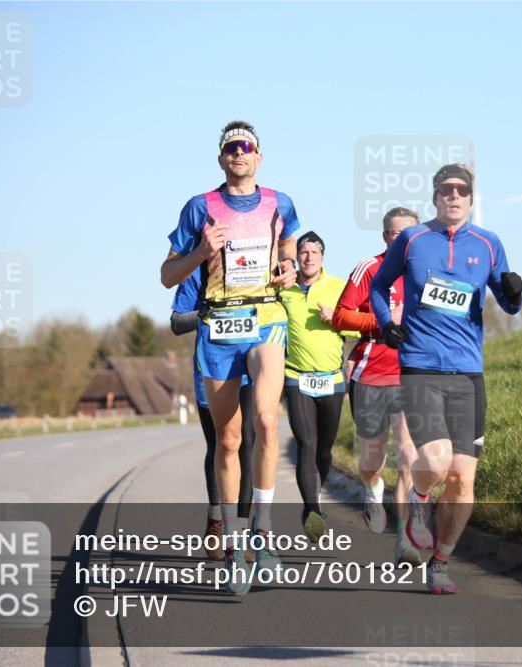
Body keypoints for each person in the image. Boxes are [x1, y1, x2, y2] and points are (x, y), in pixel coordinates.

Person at [368, 164, 522, 594]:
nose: (454, 197)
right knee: (434, 462)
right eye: (446, 190)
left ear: (471, 199)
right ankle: (418, 505)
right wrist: (386, 323)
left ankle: (440, 562)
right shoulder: (413, 240)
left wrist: (513, 292)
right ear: (435, 196)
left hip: (468, 372)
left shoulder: (489, 244)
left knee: (462, 479)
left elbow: (510, 304)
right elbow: (379, 287)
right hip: (420, 365)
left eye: (462, 191)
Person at [161, 120, 299, 595]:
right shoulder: (200, 207)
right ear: (221, 158)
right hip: (218, 326)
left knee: (266, 419)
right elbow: (166, 275)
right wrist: (201, 250)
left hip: (264, 320)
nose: (239, 153)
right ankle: (236, 545)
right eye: (230, 148)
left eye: (247, 147)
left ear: (259, 156)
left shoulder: (280, 202)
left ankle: (263, 530)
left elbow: (289, 250)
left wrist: (287, 269)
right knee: (227, 441)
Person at [332, 207, 421, 566]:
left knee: (408, 458)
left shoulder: (430, 273)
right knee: (372, 461)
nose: (403, 240)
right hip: (371, 373)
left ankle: (404, 540)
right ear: (386, 237)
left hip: (413, 374)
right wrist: (382, 322)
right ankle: (371, 487)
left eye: (410, 234)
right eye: (396, 234)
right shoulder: (370, 269)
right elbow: (341, 316)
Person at [168, 270, 256, 564]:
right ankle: (216, 515)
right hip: (212, 370)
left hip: (249, 369)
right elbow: (177, 322)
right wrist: (206, 312)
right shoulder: (197, 273)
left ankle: (240, 534)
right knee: (221, 445)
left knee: (246, 448)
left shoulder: (252, 265)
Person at [279, 231, 355, 541]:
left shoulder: (339, 287)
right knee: (306, 444)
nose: (308, 257)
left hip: (332, 380)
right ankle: (312, 508)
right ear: (296, 256)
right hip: (296, 376)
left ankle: (315, 494)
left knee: (324, 450)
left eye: (314, 252)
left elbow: (361, 327)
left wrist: (337, 318)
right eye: (303, 252)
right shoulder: (284, 290)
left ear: (322, 256)